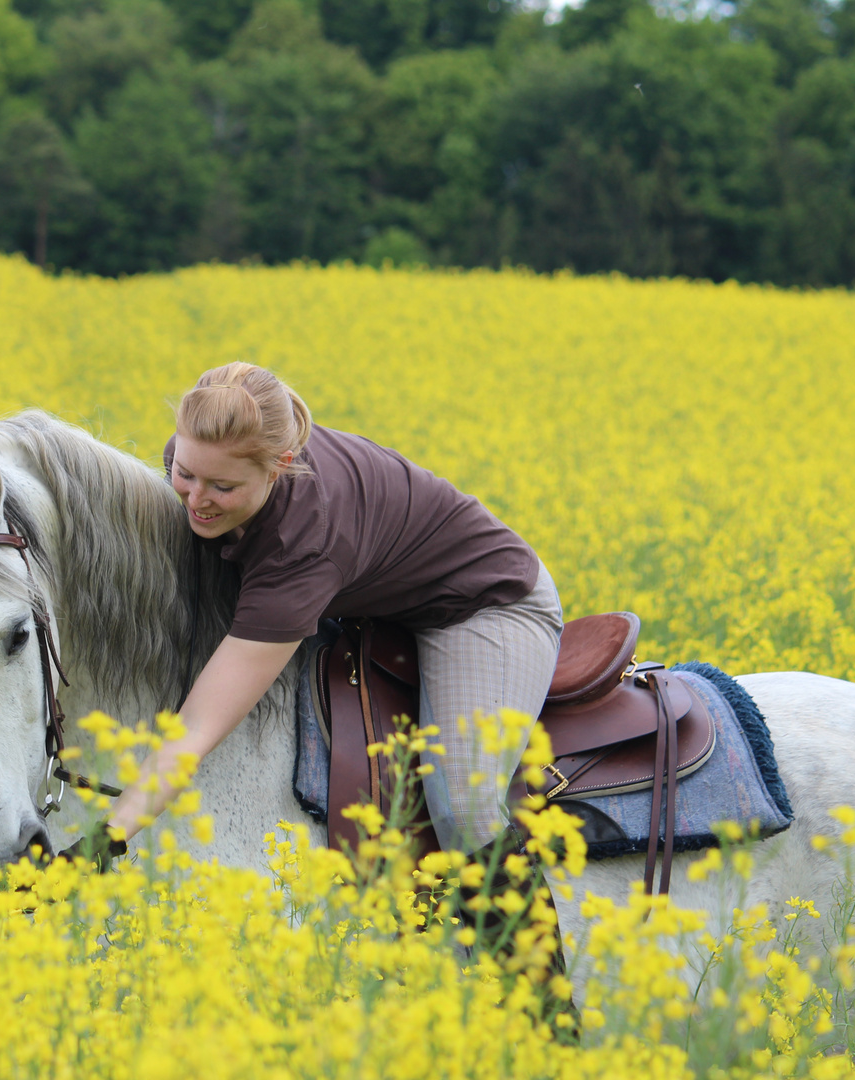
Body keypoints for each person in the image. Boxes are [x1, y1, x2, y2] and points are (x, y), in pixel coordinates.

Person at [102, 361, 563, 857]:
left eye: (222, 488)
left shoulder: (300, 547)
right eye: (184, 473)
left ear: (279, 464)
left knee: (465, 806)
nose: (196, 499)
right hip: (381, 600)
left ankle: (519, 935)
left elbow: (196, 728)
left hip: (486, 602)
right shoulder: (212, 455)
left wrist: (106, 839)